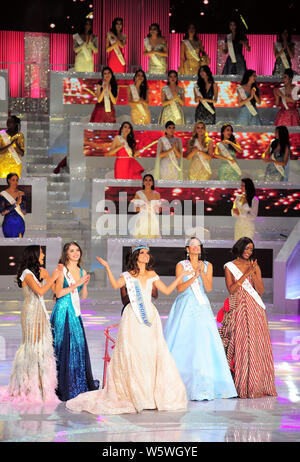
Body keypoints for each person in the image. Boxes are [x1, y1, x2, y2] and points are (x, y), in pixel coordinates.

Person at [66, 243, 190, 415]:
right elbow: (116, 285)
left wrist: (181, 277)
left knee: (150, 354)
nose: (146, 255)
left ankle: (149, 395)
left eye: (148, 253)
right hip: (133, 317)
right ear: (136, 256)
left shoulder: (152, 274)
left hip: (150, 318)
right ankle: (135, 393)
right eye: (143, 253)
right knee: (134, 353)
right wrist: (108, 267)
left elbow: (168, 291)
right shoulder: (127, 275)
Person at [164, 237, 237, 401]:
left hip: (202, 305)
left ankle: (206, 383)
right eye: (193, 245)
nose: (196, 248)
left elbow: (209, 287)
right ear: (187, 249)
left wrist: (201, 273)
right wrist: (191, 277)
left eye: (198, 245)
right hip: (185, 304)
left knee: (203, 342)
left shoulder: (207, 265)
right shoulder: (181, 265)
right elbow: (180, 289)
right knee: (185, 341)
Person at [0, 246, 61, 403]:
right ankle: (27, 385)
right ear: (34, 255)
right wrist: (53, 277)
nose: (43, 255)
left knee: (42, 345)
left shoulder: (40, 272)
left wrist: (56, 277)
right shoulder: (27, 273)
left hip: (40, 310)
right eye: (41, 252)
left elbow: (55, 290)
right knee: (32, 344)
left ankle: (41, 385)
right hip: (31, 312)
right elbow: (40, 291)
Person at [218, 238, 277, 399]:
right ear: (240, 248)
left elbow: (261, 290)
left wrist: (254, 272)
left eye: (251, 249)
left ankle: (257, 384)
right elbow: (231, 290)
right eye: (246, 248)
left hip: (255, 308)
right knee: (242, 344)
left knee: (256, 344)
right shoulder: (230, 266)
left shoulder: (254, 265)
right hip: (239, 307)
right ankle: (241, 384)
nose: (248, 251)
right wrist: (246, 274)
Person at [50, 242, 99, 401]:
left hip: (75, 311)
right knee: (63, 346)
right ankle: (61, 384)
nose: (76, 253)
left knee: (77, 345)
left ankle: (76, 382)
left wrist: (84, 285)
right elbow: (58, 293)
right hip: (63, 311)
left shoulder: (82, 271)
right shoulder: (61, 269)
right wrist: (77, 283)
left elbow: (83, 296)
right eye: (72, 250)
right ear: (66, 253)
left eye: (77, 250)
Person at [129, 174, 161, 238]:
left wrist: (155, 208)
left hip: (153, 220)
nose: (148, 182)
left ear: (152, 183)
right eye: (146, 180)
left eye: (150, 180)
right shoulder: (138, 193)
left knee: (152, 241)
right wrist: (141, 207)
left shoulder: (157, 194)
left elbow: (159, 211)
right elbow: (135, 209)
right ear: (143, 182)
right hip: (142, 219)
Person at [0, 173, 26, 237]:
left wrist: (21, 202)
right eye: (13, 180)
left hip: (20, 223)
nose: (15, 182)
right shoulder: (3, 194)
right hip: (8, 224)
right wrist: (16, 203)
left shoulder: (21, 193)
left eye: (17, 180)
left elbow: (24, 212)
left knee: (18, 244)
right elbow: (3, 212)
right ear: (9, 180)